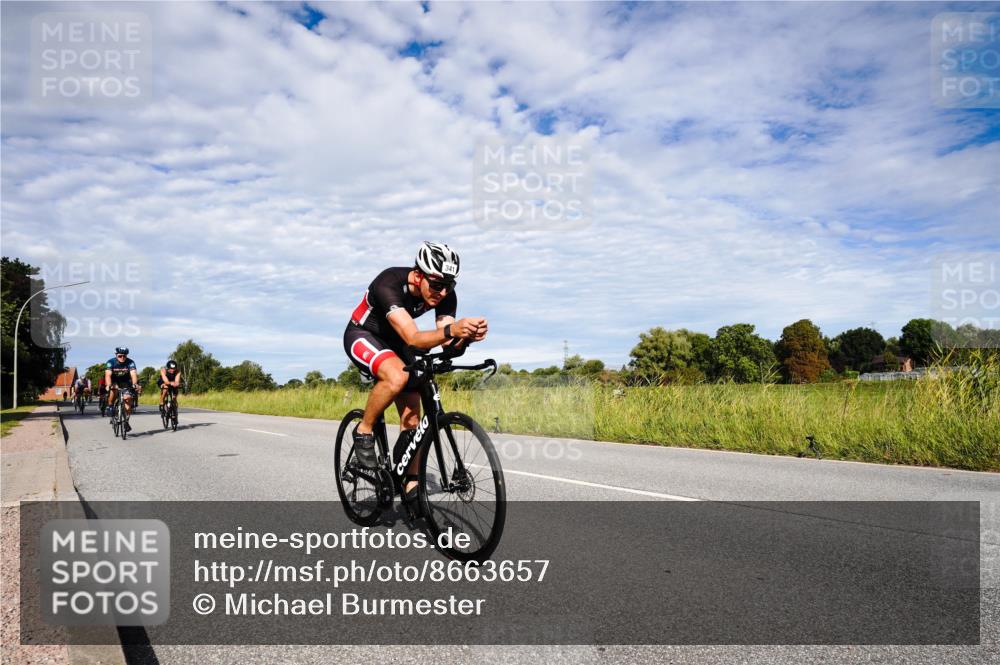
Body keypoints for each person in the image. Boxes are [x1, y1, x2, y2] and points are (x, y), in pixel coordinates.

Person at [343, 241, 488, 505]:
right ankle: (364, 430)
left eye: (449, 286)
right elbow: (413, 338)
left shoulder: (444, 294)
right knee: (397, 376)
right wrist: (452, 331)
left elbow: (447, 343)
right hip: (364, 334)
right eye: (436, 284)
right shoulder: (388, 282)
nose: (442, 292)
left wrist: (466, 338)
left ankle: (411, 482)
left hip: (398, 343)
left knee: (413, 417)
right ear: (418, 274)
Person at [105, 347, 139, 431]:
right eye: (120, 356)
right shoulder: (110, 362)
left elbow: (133, 374)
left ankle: (126, 421)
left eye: (124, 356)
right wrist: (109, 385)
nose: (122, 358)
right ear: (116, 355)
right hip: (114, 381)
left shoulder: (130, 362)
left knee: (128, 399)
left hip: (126, 382)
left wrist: (135, 384)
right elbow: (108, 375)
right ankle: (110, 406)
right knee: (113, 390)